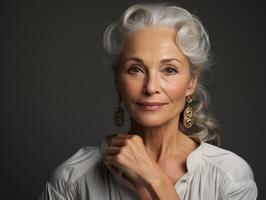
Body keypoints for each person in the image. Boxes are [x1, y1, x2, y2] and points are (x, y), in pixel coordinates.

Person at [39, 3, 258, 200]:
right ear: (118, 82)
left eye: (169, 70)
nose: (151, 87)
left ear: (191, 82)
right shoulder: (72, 179)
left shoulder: (229, 177)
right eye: (135, 69)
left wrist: (153, 179)